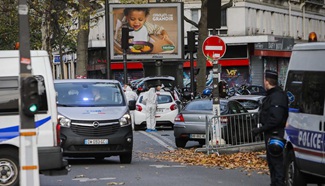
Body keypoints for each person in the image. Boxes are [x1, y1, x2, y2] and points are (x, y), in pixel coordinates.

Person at [251, 70, 289, 186]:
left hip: (275, 134)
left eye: (264, 81)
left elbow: (275, 119)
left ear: (267, 82)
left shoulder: (277, 97)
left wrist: (260, 129)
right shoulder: (274, 96)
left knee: (277, 165)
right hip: (271, 134)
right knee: (273, 164)